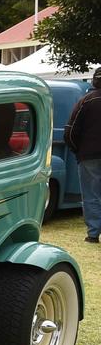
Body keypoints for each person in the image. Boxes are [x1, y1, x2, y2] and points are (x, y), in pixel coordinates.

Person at [65, 66, 101, 243]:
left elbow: (70, 131)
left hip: (88, 155)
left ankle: (93, 234)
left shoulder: (86, 101)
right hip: (88, 154)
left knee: (91, 195)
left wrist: (76, 150)